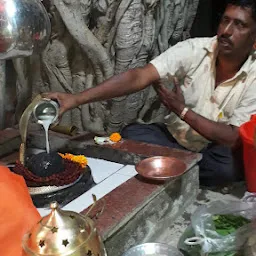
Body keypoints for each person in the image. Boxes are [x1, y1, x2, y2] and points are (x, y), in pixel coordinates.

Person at [46, 0, 256, 187]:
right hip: (175, 139)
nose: (226, 31)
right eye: (225, 21)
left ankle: (171, 168)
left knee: (227, 168)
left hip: (215, 150)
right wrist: (76, 99)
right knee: (131, 135)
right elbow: (138, 76)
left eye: (239, 25)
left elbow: (231, 137)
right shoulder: (195, 49)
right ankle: (179, 167)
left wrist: (181, 110)